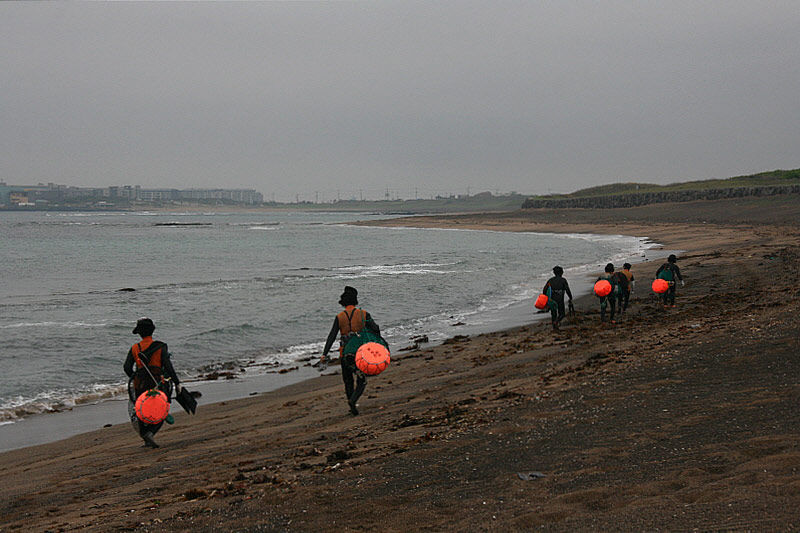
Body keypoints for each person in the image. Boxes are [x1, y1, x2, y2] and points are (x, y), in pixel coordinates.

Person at [321, 286, 383, 416]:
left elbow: (331, 336)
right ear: (355, 300)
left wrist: (324, 354)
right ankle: (353, 400)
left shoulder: (340, 317)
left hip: (345, 353)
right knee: (362, 380)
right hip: (360, 353)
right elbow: (376, 329)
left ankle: (351, 404)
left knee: (348, 380)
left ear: (343, 302)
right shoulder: (363, 314)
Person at [124, 317, 182, 448]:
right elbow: (168, 367)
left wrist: (135, 377)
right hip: (157, 384)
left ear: (139, 333)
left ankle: (145, 438)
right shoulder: (160, 347)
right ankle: (150, 433)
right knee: (161, 410)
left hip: (140, 384)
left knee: (141, 410)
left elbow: (127, 367)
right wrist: (177, 383)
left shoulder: (135, 348)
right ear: (152, 331)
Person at [542, 266, 573, 331]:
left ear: (554, 273)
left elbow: (544, 290)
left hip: (552, 300)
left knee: (553, 314)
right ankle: (556, 322)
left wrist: (545, 298)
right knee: (562, 314)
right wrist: (570, 297)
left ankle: (555, 327)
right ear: (561, 272)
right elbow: (567, 289)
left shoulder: (550, 280)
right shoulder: (563, 280)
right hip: (560, 299)